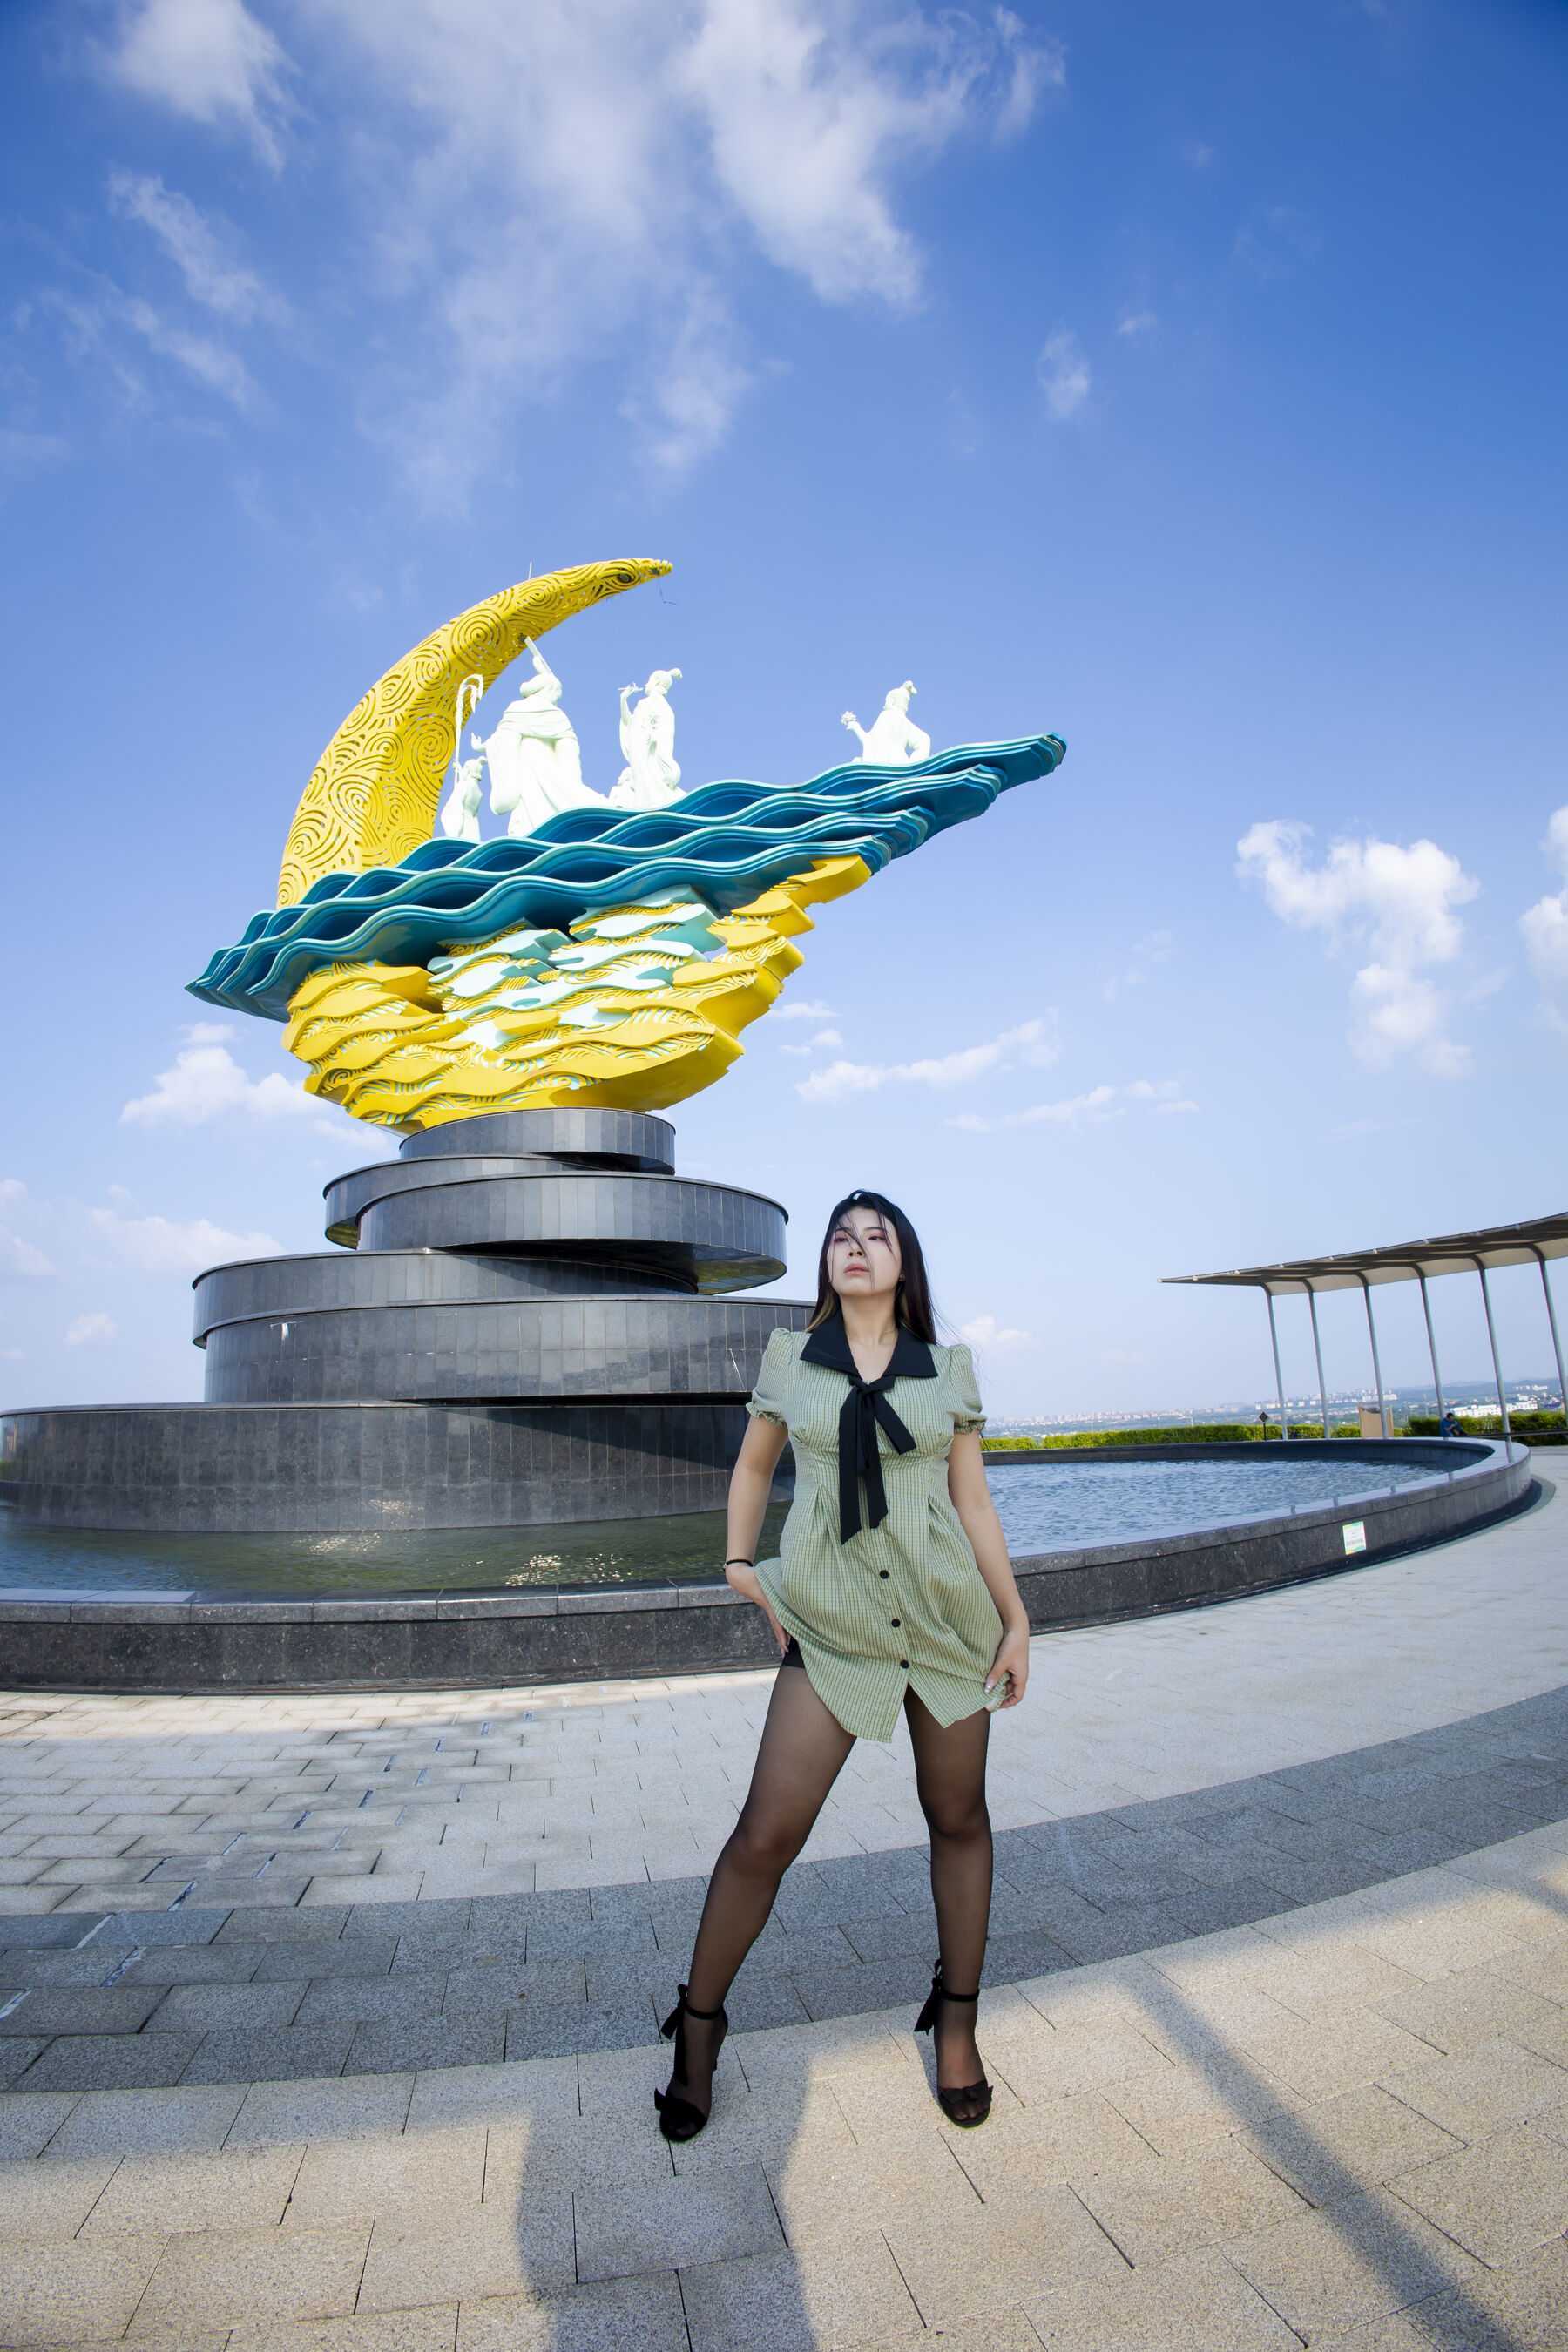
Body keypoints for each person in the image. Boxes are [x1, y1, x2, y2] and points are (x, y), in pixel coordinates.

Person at [652, 1188, 1032, 2145]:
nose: (856, 1248)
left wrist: (1016, 1620)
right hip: (830, 1624)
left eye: (877, 1237)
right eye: (841, 1237)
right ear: (827, 1262)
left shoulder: (947, 1370)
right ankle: (698, 2027)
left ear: (905, 1264)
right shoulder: (792, 1360)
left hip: (946, 1622)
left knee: (959, 1818)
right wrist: (740, 1565)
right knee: (764, 1835)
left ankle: (957, 2023)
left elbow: (974, 1504)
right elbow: (753, 1467)